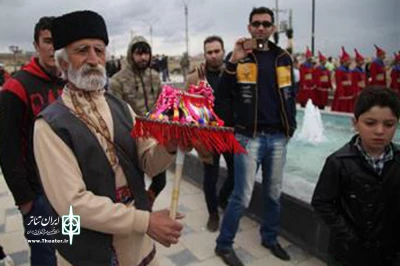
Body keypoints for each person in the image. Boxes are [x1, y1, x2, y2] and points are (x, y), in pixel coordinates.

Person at [34, 10, 185, 266]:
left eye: (99, 50)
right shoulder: (49, 125)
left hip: (137, 245)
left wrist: (169, 146)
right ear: (62, 62)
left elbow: (148, 161)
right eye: (82, 50)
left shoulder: (120, 107)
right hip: (89, 250)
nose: (93, 59)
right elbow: (73, 204)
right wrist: (145, 221)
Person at [214, 7, 296, 266]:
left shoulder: (282, 57)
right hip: (248, 137)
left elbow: (290, 95)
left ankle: (269, 238)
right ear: (249, 27)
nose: (261, 28)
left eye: (266, 24)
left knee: (274, 192)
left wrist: (289, 127)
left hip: (278, 137)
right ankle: (224, 244)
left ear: (273, 28)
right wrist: (233, 61)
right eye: (256, 24)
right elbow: (222, 96)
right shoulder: (238, 57)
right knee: (242, 195)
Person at [0, 16, 64, 266]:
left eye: (57, 42)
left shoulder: (68, 83)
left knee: (71, 247)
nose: (52, 47)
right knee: (45, 256)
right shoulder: (16, 87)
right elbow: (7, 148)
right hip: (38, 195)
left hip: (68, 192)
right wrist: (25, 200)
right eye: (47, 41)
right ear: (36, 45)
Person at [312, 87, 400, 266]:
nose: (379, 131)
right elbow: (322, 203)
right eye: (370, 123)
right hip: (348, 254)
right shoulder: (338, 162)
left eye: (389, 124)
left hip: (390, 252)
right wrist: (349, 236)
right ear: (355, 123)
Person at [110, 35, 165, 208]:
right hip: (132, 139)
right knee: (135, 182)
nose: (143, 58)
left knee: (160, 180)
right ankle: (141, 212)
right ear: (131, 55)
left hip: (155, 136)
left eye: (146, 53)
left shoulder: (155, 76)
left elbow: (162, 104)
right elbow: (116, 112)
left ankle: (147, 202)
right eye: (139, 53)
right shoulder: (118, 80)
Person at [186, 35, 234, 232]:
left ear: (223, 51)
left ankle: (222, 198)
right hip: (207, 136)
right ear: (205, 54)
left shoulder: (232, 72)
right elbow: (188, 109)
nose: (213, 55)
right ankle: (213, 214)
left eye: (217, 51)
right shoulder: (194, 77)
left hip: (231, 133)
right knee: (210, 177)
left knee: (237, 174)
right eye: (209, 52)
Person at [331, 47, 354, 113]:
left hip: (349, 92)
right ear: (344, 61)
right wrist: (341, 94)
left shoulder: (350, 70)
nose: (349, 62)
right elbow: (339, 83)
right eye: (348, 60)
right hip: (342, 92)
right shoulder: (339, 70)